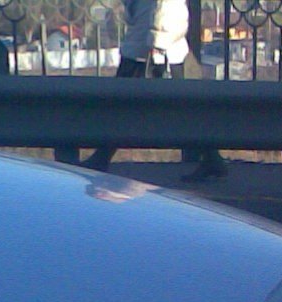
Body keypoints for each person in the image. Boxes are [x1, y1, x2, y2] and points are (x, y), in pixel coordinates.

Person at [78, 0, 226, 179]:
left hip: (148, 48)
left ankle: (101, 157)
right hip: (162, 45)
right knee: (188, 109)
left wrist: (157, 42)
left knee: (121, 107)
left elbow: (163, 6)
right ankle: (212, 159)